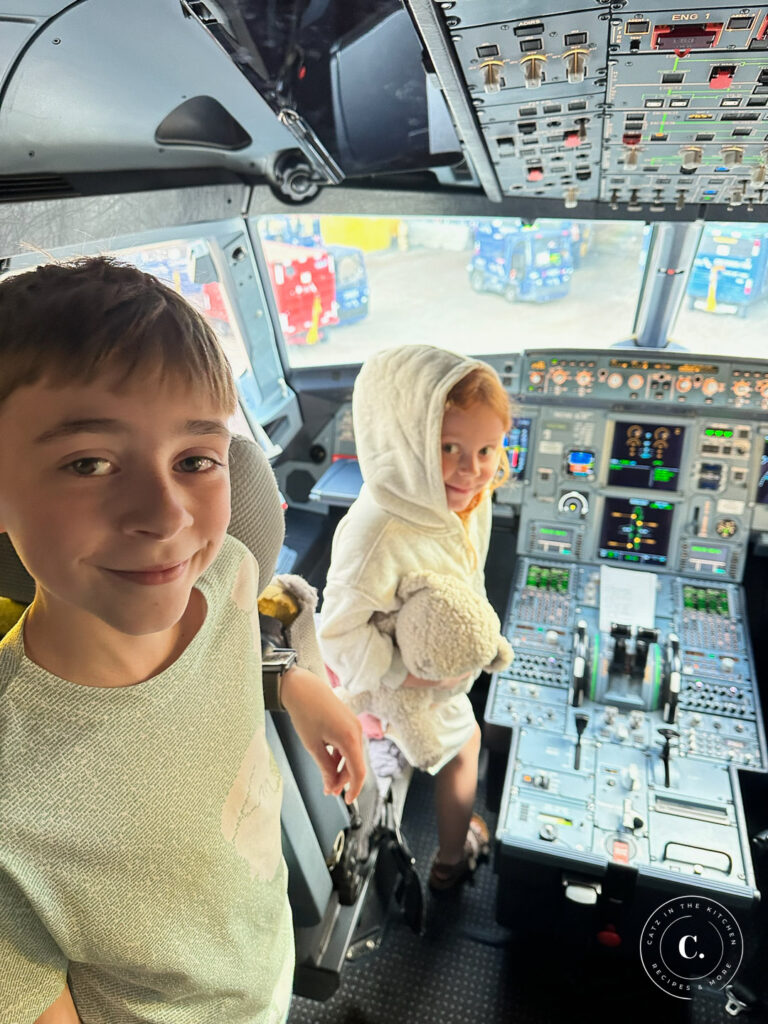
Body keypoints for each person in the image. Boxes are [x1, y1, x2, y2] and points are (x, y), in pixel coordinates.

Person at [0, 256, 365, 1024]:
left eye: (196, 460)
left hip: (261, 973)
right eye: (90, 463)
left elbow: (227, 651)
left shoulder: (226, 573)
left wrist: (296, 685)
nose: (166, 517)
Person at [318, 343, 511, 890]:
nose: (471, 470)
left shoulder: (467, 496)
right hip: (396, 678)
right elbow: (337, 635)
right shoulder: (379, 532)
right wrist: (407, 677)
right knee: (464, 745)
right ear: (405, 441)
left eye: (486, 450)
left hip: (433, 655)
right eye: (448, 446)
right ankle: (452, 858)